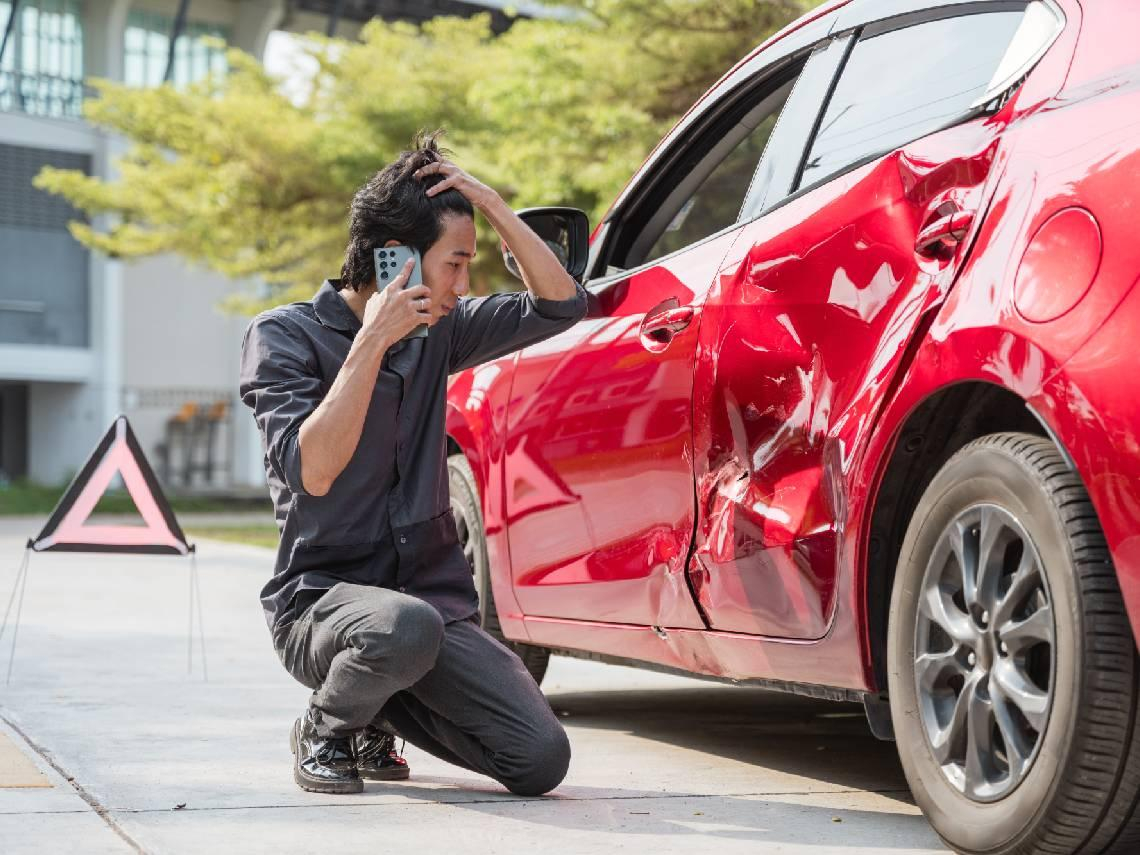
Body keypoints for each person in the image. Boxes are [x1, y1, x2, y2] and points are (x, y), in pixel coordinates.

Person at [238, 132, 588, 796]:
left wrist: (492, 206)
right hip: (322, 610)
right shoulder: (282, 337)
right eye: (455, 263)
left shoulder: (443, 332)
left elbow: (561, 304)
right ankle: (326, 725)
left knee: (540, 757)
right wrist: (373, 338)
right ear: (393, 257)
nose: (463, 284)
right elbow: (314, 472)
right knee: (403, 624)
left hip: (430, 611)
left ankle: (374, 710)